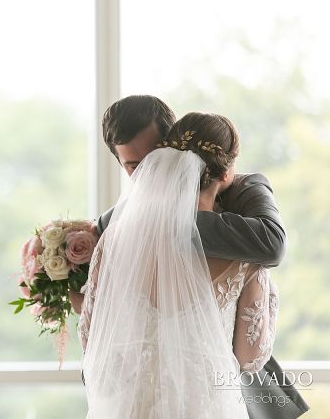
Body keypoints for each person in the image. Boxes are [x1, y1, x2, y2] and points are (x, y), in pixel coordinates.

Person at [73, 96, 308, 418]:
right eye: (134, 167)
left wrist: (168, 221)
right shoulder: (113, 226)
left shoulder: (245, 190)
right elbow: (249, 354)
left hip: (217, 394)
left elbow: (273, 244)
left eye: (155, 160)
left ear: (172, 146)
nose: (149, 175)